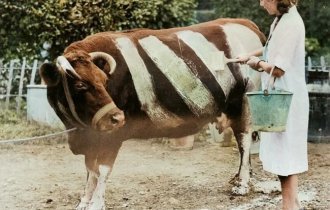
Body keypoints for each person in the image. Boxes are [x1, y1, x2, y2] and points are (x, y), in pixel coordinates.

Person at [237, 0, 309, 209]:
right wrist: (251, 55)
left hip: (286, 99)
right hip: (279, 97)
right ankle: (292, 203)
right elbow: (271, 48)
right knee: (281, 154)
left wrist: (255, 64)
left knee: (286, 157)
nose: (261, 3)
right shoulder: (281, 20)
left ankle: (289, 206)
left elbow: (278, 69)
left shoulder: (291, 24)